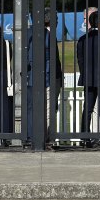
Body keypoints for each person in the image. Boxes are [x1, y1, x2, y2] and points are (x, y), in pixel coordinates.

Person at [26, 8, 63, 149]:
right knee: (47, 109)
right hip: (46, 76)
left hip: (30, 78)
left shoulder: (28, 32)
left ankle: (30, 137)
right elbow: (52, 59)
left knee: (31, 109)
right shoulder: (47, 35)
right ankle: (46, 139)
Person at [77, 10, 100, 148]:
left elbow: (80, 60)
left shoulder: (82, 40)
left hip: (88, 77)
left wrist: (85, 73)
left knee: (88, 109)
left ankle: (85, 137)